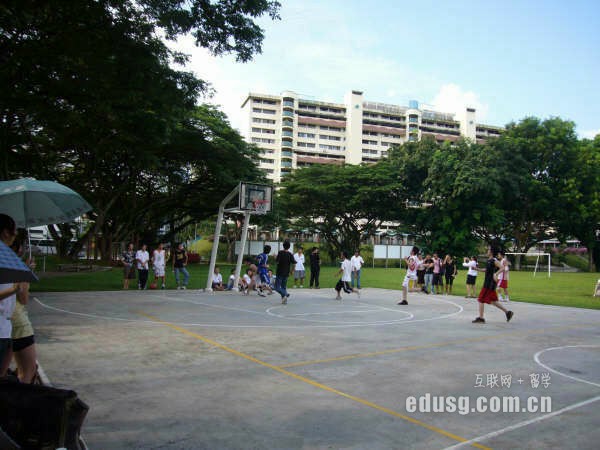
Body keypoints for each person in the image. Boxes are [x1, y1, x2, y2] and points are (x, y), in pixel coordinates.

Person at [0, 214, 31, 381]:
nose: (15, 235)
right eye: (14, 231)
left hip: (6, 326)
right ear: (6, 232)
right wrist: (14, 289)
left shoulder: (8, 258)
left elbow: (23, 298)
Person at [472, 246, 514, 324]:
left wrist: (496, 274)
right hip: (488, 283)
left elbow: (502, 268)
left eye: (488, 249)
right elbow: (486, 270)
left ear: (491, 252)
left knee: (481, 299)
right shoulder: (489, 260)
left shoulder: (494, 260)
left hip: (490, 284)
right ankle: (508, 312)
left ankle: (481, 318)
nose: (487, 250)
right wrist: (476, 269)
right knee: (493, 301)